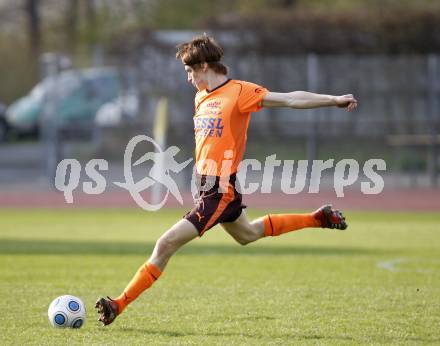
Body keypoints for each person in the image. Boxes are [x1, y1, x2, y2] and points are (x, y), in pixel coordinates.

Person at [96, 34, 358, 325]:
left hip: (219, 190)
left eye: (190, 71)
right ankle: (319, 218)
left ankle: (118, 304)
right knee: (247, 235)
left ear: (205, 65)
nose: (188, 79)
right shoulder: (201, 97)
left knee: (165, 243)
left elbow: (290, 99)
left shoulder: (240, 92)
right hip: (206, 187)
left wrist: (333, 99)